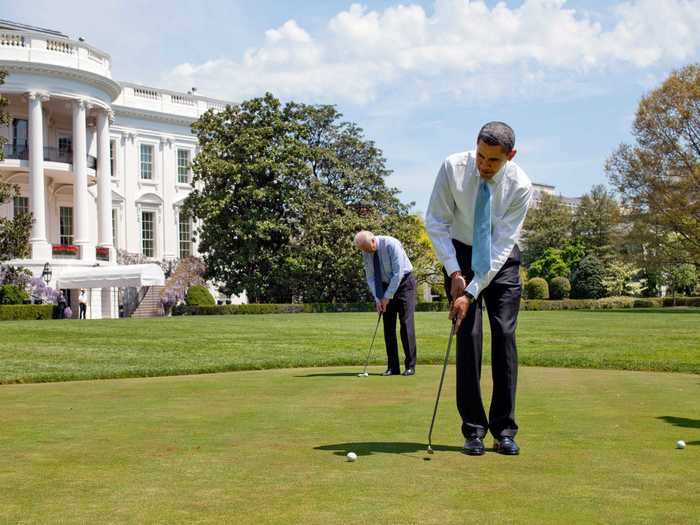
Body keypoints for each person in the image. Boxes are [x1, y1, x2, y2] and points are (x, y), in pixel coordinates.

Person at [426, 122, 532, 456]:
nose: (483, 165)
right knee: (468, 338)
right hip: (459, 252)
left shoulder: (521, 186)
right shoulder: (452, 167)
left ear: (510, 156)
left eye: (493, 161)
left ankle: (504, 430)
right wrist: (454, 270)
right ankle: (473, 430)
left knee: (503, 335)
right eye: (480, 156)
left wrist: (471, 291)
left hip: (501, 260)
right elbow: (436, 222)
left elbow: (501, 247)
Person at [354, 231, 417, 376]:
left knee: (405, 324)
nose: (366, 252)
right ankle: (392, 367)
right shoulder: (366, 252)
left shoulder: (391, 244)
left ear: (373, 241)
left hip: (404, 284)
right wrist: (378, 299)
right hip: (383, 285)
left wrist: (387, 296)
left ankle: (410, 366)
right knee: (388, 327)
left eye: (367, 249)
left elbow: (398, 273)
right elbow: (370, 278)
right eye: (363, 250)